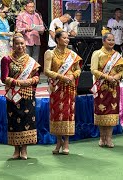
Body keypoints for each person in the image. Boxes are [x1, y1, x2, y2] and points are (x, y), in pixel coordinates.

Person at [1, 33, 40, 160]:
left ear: (25, 45)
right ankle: (16, 149)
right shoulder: (7, 59)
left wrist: (28, 82)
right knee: (14, 121)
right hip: (13, 95)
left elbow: (36, 77)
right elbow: (4, 78)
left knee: (27, 120)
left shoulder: (31, 61)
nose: (20, 46)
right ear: (13, 45)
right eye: (17, 43)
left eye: (22, 43)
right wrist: (18, 82)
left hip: (27, 95)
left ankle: (24, 149)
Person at [44, 27, 82, 155]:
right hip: (56, 87)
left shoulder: (72, 54)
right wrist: (62, 77)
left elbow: (78, 69)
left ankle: (66, 142)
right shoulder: (50, 53)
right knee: (56, 113)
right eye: (64, 38)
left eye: (67, 38)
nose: (67, 39)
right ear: (57, 39)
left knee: (67, 114)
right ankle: (58, 141)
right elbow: (47, 71)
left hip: (69, 87)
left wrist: (72, 76)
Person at [90, 27, 123, 148]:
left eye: (113, 40)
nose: (111, 42)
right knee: (101, 111)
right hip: (101, 87)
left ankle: (109, 138)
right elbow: (93, 70)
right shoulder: (97, 54)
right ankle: (102, 137)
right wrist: (106, 77)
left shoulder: (117, 55)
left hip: (114, 87)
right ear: (103, 41)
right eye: (109, 40)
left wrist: (117, 76)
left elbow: (122, 70)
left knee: (112, 111)